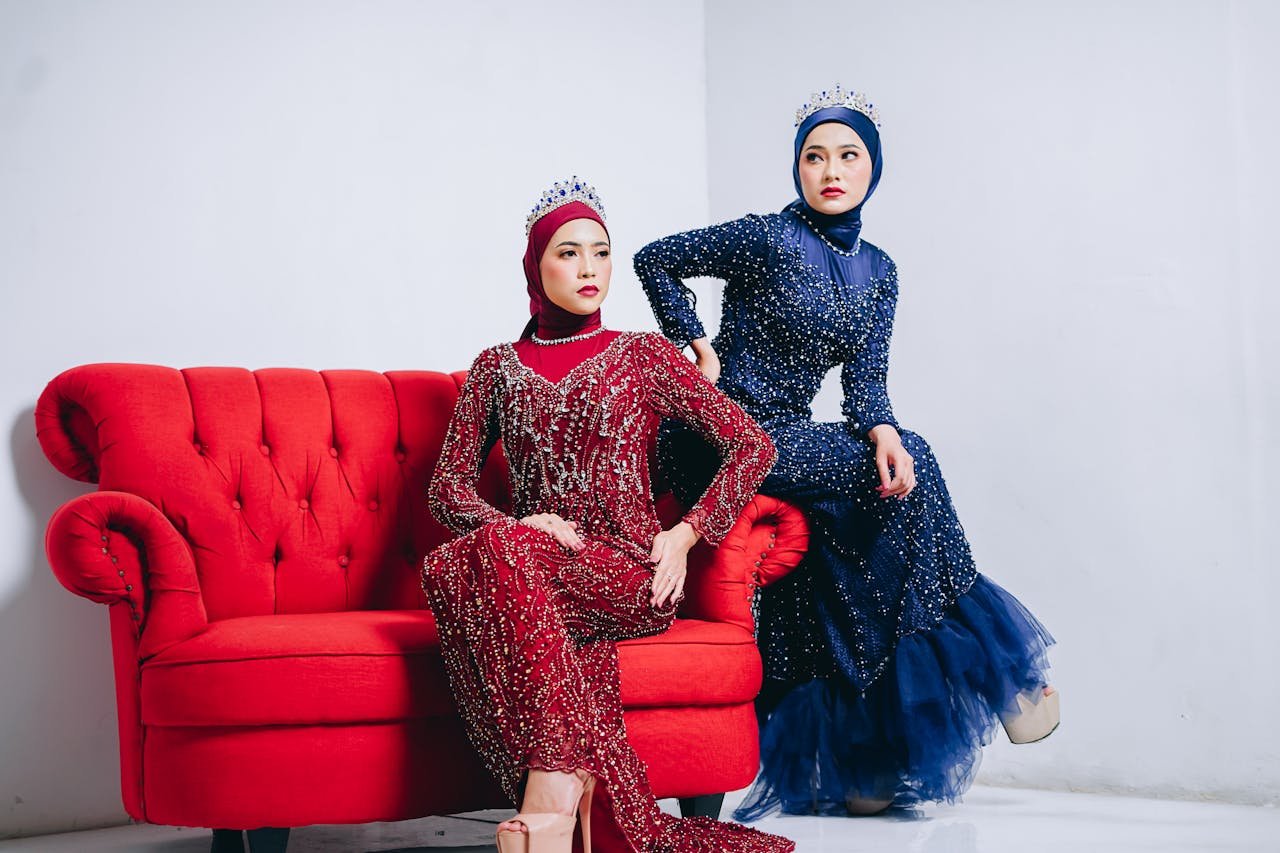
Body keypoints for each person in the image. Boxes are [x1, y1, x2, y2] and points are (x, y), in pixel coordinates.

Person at [634, 86, 1058, 817]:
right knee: (898, 465)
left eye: (848, 155)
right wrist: (693, 342)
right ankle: (1002, 672)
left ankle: (863, 759)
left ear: (873, 168)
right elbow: (654, 258)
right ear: (797, 166)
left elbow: (865, 385)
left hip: (787, 439)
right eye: (814, 155)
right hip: (718, 436)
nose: (830, 169)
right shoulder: (764, 236)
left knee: (872, 509)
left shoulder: (881, 272)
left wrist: (883, 430)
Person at [421, 178, 794, 852]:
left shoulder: (642, 354)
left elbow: (751, 444)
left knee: (484, 560)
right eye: (568, 253)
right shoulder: (496, 368)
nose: (589, 268)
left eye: (601, 252)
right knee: (452, 564)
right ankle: (575, 795)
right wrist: (520, 525)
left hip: (629, 571)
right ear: (535, 267)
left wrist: (686, 535)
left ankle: (555, 785)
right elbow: (445, 490)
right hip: (532, 571)